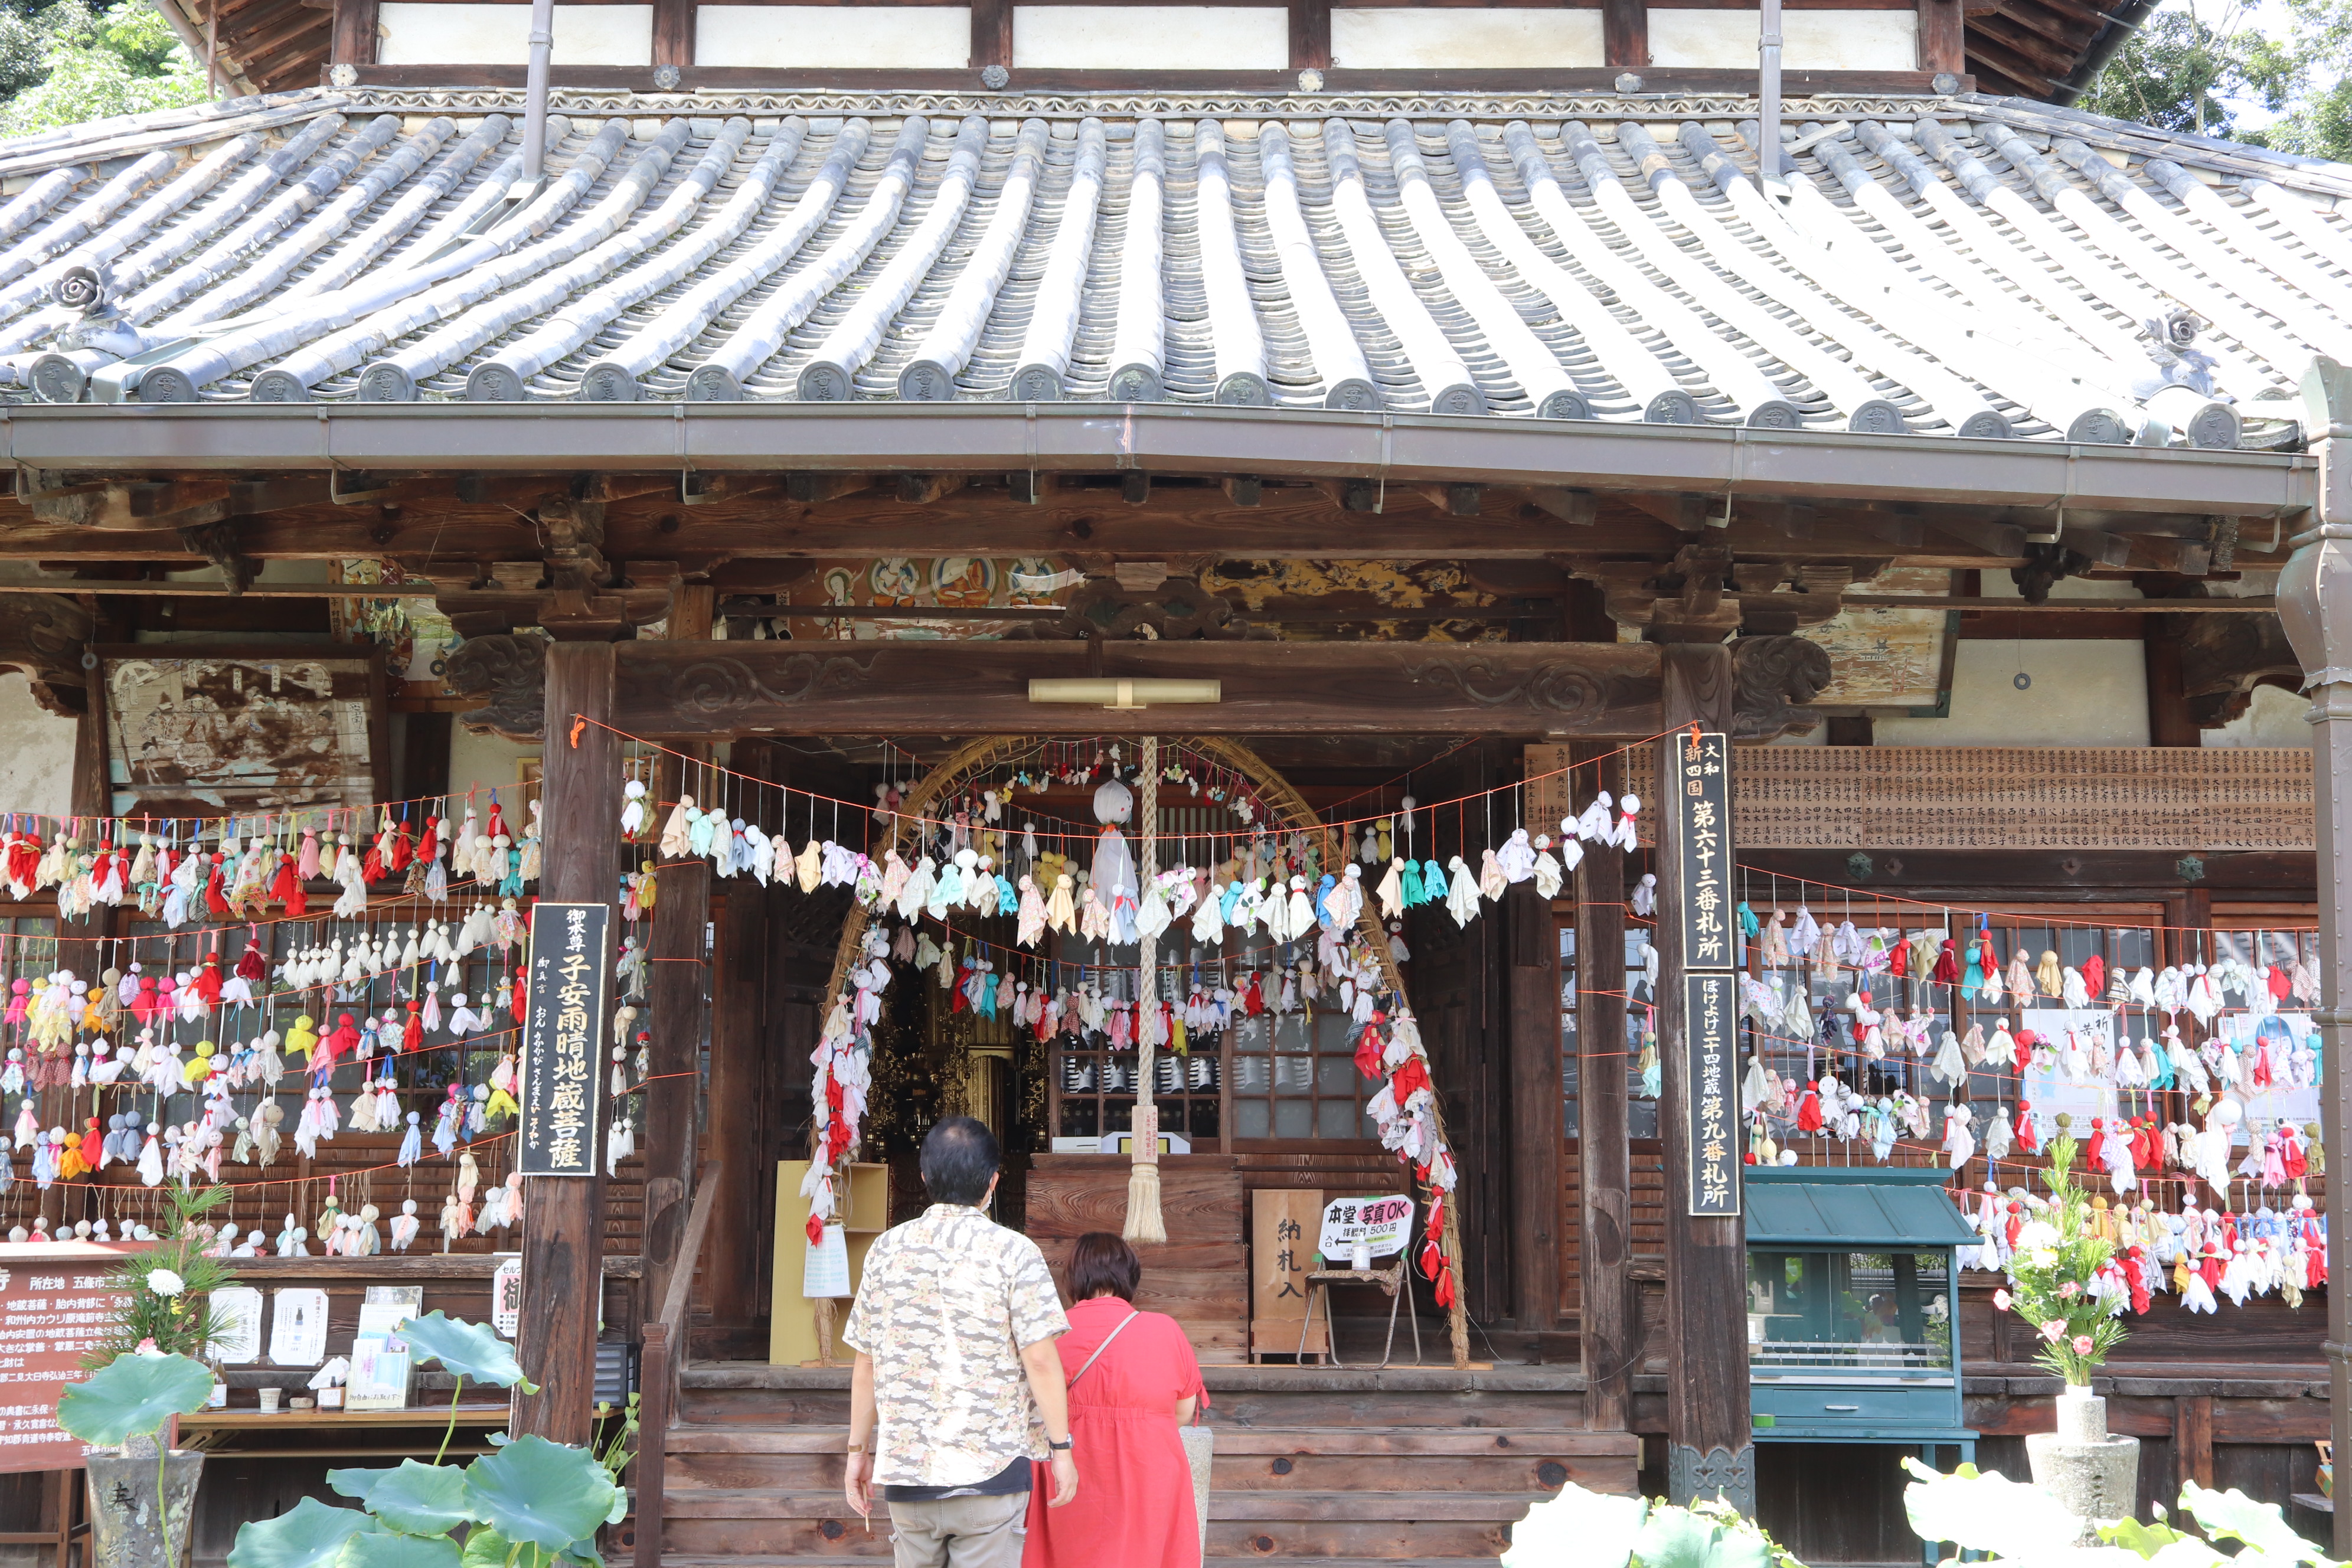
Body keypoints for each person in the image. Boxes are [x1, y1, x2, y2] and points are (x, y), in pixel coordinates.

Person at [843, 1117, 1079, 1566]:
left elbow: (866, 1365)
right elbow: (1042, 1362)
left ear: (926, 1177)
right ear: (993, 1181)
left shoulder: (886, 1251)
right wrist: (1061, 1450)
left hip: (910, 1481)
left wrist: (857, 1452)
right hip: (990, 1476)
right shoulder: (1015, 1252)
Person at [1022, 1232, 1206, 1568]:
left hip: (1069, 1465)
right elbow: (1183, 1412)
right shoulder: (1165, 1330)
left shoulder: (1052, 1334)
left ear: (1073, 1278)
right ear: (1130, 1276)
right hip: (1148, 1470)